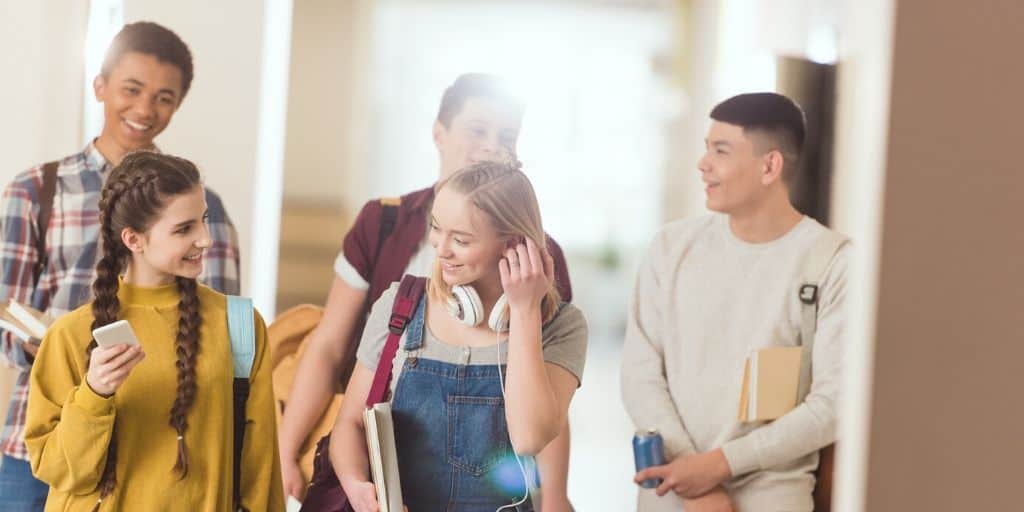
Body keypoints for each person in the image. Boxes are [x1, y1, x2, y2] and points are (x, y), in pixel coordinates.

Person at [279, 74, 576, 508]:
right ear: (439, 133)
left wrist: (556, 495)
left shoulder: (538, 268)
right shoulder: (387, 236)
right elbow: (330, 346)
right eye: (478, 130)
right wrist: (287, 448)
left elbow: (546, 406)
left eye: (507, 135)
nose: (493, 145)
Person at [0, 22, 239, 510]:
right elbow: (5, 311)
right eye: (132, 89)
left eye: (164, 97)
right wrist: (69, 357)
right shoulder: (35, 192)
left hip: (154, 452)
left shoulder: (201, 208)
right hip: (39, 447)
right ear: (100, 86)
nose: (145, 110)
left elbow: (226, 336)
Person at [621, 92, 850, 512]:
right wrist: (696, 481)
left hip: (772, 499)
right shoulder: (670, 249)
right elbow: (640, 373)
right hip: (669, 493)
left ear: (770, 166)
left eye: (720, 151)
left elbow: (834, 403)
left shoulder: (832, 261)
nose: (702, 164)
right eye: (706, 149)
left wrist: (720, 466)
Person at [24, 152, 282, 511]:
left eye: (204, 220)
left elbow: (261, 468)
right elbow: (59, 470)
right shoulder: (69, 335)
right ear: (133, 239)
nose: (206, 239)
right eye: (184, 228)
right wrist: (95, 393)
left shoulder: (239, 324)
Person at [331, 158, 587, 511]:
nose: (441, 248)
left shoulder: (561, 327)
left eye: (461, 239)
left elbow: (530, 437)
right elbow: (349, 423)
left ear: (514, 244)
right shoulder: (399, 306)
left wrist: (525, 312)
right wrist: (358, 487)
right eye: (437, 228)